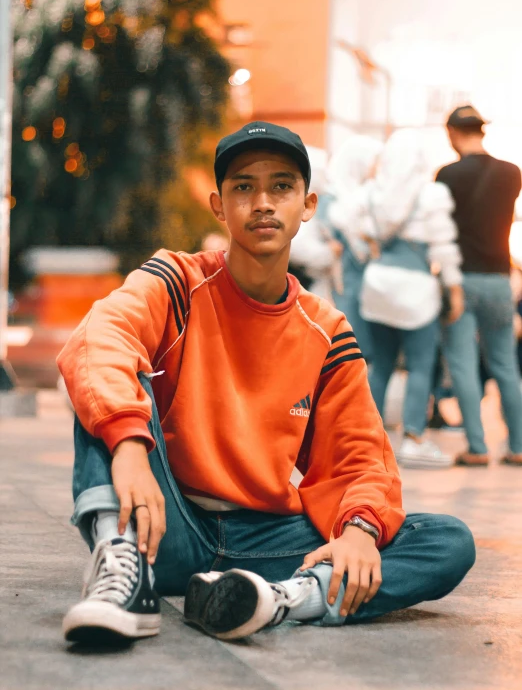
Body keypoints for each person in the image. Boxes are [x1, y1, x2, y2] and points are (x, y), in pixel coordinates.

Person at [58, 121, 475, 645]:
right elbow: (98, 337)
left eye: (281, 186)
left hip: (271, 540)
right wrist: (128, 447)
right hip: (165, 522)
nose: (263, 202)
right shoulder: (177, 281)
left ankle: (275, 600)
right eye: (243, 187)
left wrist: (359, 531)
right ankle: (125, 576)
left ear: (308, 204)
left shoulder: (326, 329)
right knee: (105, 374)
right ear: (219, 205)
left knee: (445, 541)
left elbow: (360, 453)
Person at [339, 129, 464, 469]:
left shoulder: (371, 194)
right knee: (420, 365)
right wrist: (453, 287)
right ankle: (413, 437)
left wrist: (371, 251)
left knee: (380, 365)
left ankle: (370, 442)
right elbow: (443, 246)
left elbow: (346, 223)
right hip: (417, 291)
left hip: (377, 287)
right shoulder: (432, 193)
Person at [437, 105, 522, 466]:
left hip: (461, 279)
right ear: (482, 131)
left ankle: (477, 446)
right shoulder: (512, 173)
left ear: (453, 133)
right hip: (500, 279)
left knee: (463, 364)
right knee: (505, 365)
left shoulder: (446, 175)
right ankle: (518, 447)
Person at [327, 135, 384, 361]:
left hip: (367, 294)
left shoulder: (365, 196)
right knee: (350, 355)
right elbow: (360, 251)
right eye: (374, 162)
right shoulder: (334, 201)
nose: (377, 169)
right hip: (345, 292)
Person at [289, 145, 343, 300]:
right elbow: (297, 247)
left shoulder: (310, 205)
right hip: (308, 287)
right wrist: (329, 252)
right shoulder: (299, 207)